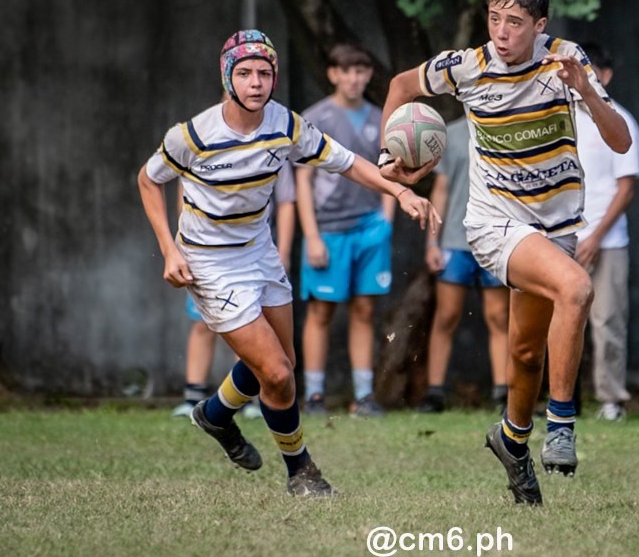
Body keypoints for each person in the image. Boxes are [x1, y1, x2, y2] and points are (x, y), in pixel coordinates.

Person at [138, 30, 438, 497]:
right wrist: (170, 249)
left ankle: (215, 416)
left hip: (259, 251)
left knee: (285, 365)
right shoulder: (192, 135)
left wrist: (400, 191)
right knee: (276, 374)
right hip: (210, 263)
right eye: (244, 72)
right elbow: (147, 179)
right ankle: (301, 471)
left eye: (264, 72)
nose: (256, 82)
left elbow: (346, 162)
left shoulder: (285, 124)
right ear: (227, 77)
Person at [379, 0, 631, 505]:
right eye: (494, 18)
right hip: (494, 224)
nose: (501, 32)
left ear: (540, 25)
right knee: (577, 289)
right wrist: (389, 153)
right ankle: (560, 425)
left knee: (525, 355)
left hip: (555, 228)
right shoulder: (466, 67)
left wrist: (584, 89)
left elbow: (620, 139)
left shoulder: (568, 60)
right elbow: (401, 85)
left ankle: (511, 439)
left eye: (514, 22)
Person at [296, 43, 394, 417]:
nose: (354, 78)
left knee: (365, 310)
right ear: (332, 74)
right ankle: (315, 395)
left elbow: (388, 172)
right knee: (321, 311)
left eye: (361, 70)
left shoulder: (380, 117)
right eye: (346, 71)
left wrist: (386, 217)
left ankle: (364, 397)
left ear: (369, 74)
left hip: (370, 228)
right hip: (328, 230)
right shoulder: (314, 117)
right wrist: (313, 235)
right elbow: (302, 181)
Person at [170, 162, 296, 420]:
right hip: (209, 258)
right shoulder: (201, 142)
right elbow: (182, 196)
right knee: (202, 323)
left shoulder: (275, 144)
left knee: (251, 328)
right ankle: (193, 395)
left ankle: (246, 401)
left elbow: (286, 202)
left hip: (253, 257)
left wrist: (283, 251)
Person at [418, 115, 510, 413]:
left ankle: (504, 394)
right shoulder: (449, 134)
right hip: (455, 242)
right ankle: (434, 394)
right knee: (446, 316)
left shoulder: (506, 128)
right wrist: (433, 242)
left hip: (496, 240)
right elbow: (441, 189)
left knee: (499, 317)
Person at [573, 43, 639, 422]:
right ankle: (561, 398)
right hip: (564, 238)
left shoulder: (621, 120)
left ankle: (611, 400)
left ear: (606, 74)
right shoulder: (563, 120)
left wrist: (597, 237)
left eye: (590, 70)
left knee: (607, 320)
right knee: (561, 320)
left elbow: (626, 187)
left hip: (609, 241)